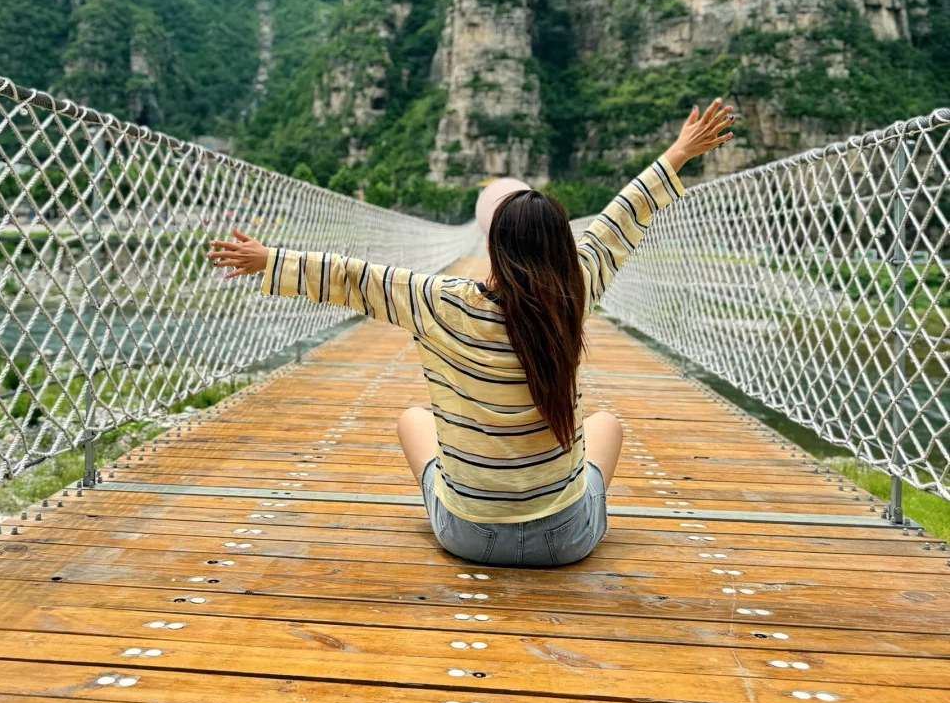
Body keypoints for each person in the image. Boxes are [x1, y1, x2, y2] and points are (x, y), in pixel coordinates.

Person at [208, 99, 734, 567]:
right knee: (608, 426)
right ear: (561, 249)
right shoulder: (574, 295)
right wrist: (680, 152)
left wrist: (269, 259)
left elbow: (356, 278)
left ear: (493, 248)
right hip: (565, 540)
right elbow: (620, 220)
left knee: (413, 419)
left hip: (466, 538)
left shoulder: (439, 303)